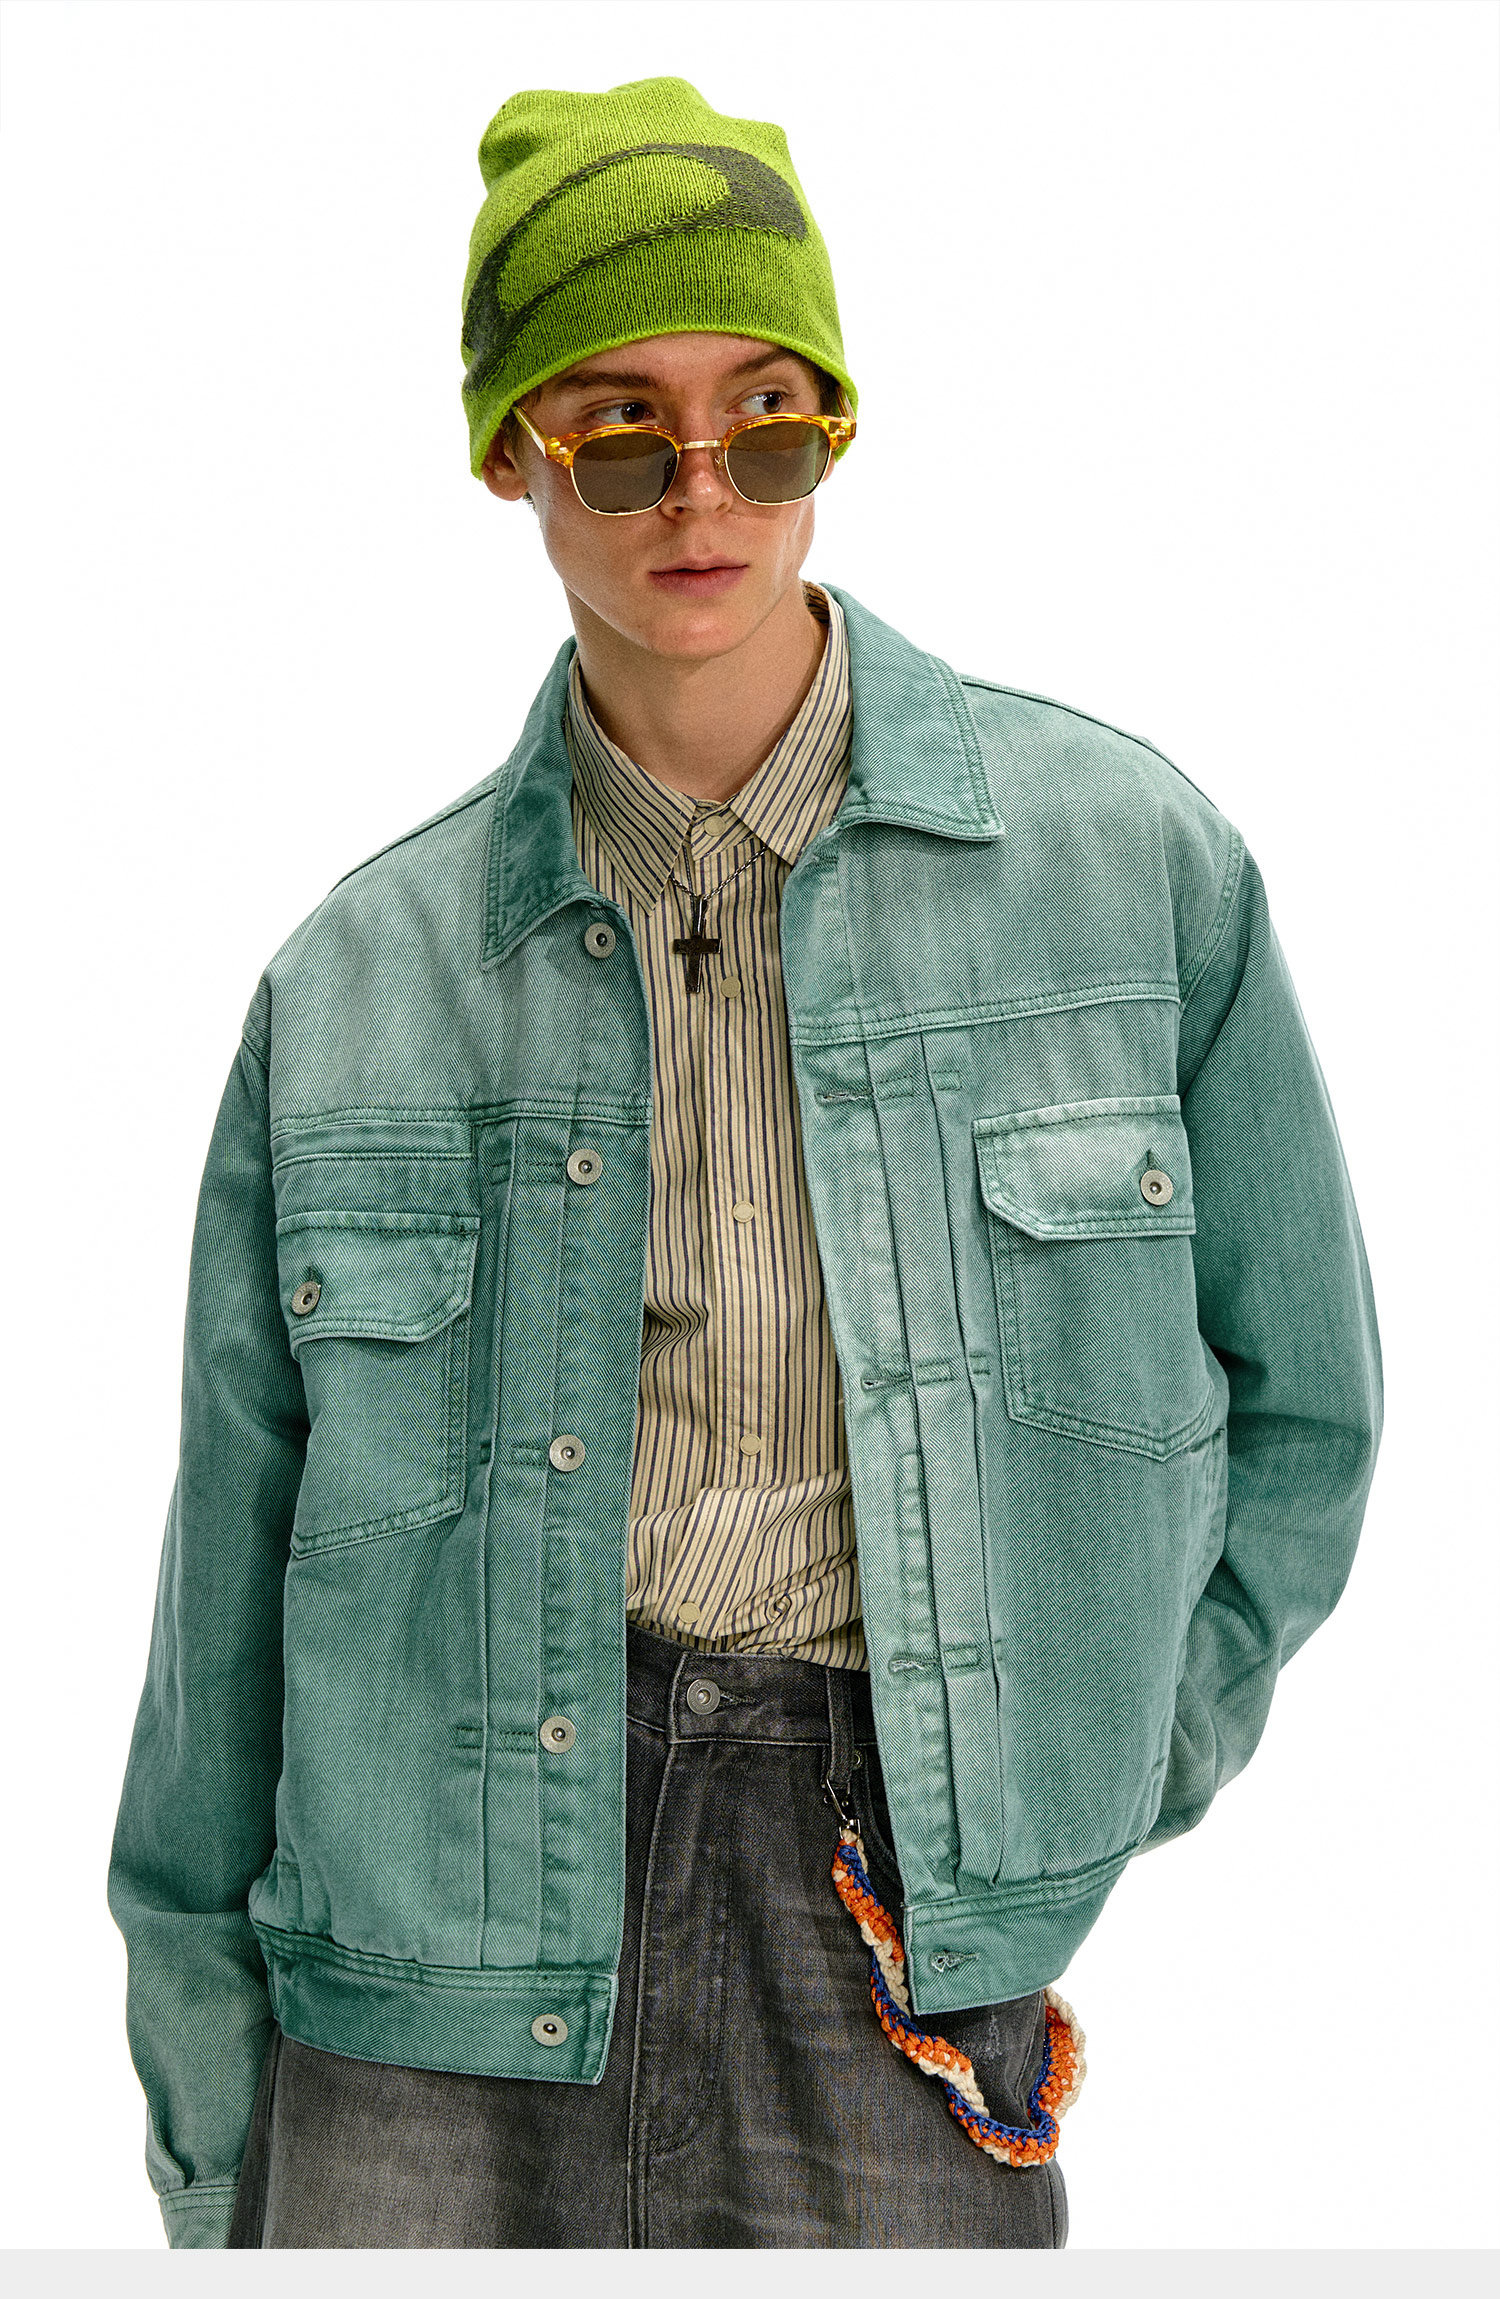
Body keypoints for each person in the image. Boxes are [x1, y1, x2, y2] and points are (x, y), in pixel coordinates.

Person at [108, 77, 1383, 2251]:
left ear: (834, 431)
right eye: (621, 432)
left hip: (883, 1918)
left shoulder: (1133, 877)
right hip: (423, 1953)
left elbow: (1310, 1415)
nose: (701, 493)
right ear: (512, 453)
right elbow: (218, 1612)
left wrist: (1089, 1770)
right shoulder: (357, 984)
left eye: (766, 422)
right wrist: (212, 2116)